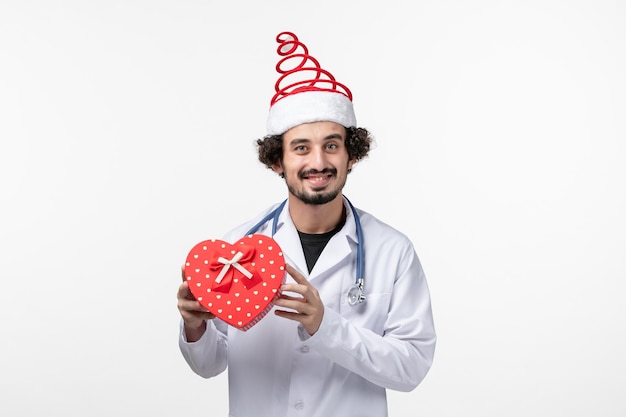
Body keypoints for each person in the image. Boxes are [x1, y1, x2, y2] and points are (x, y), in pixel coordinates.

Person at [177, 31, 436, 417]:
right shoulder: (238, 246)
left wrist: (326, 326)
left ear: (352, 155)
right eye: (301, 148)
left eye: (332, 145)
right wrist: (195, 327)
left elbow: (411, 367)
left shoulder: (391, 250)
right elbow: (210, 364)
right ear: (276, 161)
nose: (319, 162)